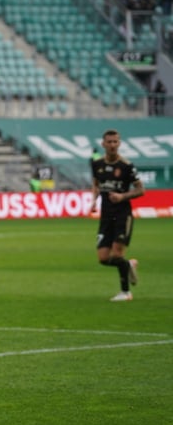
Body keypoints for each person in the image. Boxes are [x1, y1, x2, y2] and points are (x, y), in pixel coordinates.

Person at [90, 129, 145, 302]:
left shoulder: (126, 166)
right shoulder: (97, 164)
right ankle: (128, 265)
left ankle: (126, 292)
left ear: (119, 143)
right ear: (103, 144)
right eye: (109, 142)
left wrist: (122, 196)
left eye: (115, 142)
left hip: (122, 214)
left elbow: (140, 189)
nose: (113, 145)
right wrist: (93, 201)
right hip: (106, 215)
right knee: (103, 258)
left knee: (117, 254)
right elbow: (96, 184)